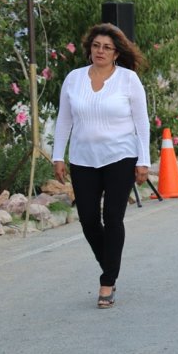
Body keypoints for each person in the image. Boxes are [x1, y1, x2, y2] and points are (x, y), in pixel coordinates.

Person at [52, 24, 150, 309]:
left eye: (107, 47)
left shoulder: (129, 80)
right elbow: (64, 120)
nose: (100, 51)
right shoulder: (74, 79)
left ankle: (107, 281)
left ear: (117, 52)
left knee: (113, 217)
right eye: (96, 45)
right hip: (83, 158)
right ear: (89, 48)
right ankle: (109, 261)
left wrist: (144, 160)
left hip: (120, 156)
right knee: (88, 219)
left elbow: (141, 123)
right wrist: (59, 155)